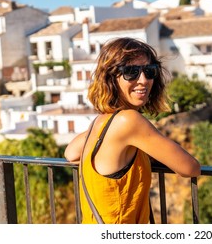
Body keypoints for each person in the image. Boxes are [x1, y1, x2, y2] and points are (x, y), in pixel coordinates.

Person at [64, 37, 201, 224]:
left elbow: (70, 153)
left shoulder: (101, 122)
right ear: (111, 77)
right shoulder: (129, 121)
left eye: (149, 71)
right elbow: (190, 168)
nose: (143, 80)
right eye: (131, 72)